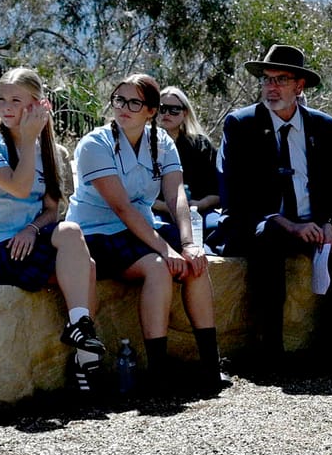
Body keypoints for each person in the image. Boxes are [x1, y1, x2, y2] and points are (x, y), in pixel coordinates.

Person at [212, 44, 332, 378]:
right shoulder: (241, 124)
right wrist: (288, 224)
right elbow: (236, 196)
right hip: (263, 224)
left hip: (314, 223)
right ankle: (270, 351)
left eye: (281, 79)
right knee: (270, 235)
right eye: (267, 80)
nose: (271, 87)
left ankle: (331, 341)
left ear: (299, 86)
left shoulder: (325, 127)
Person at [67, 72, 225, 398]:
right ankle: (159, 372)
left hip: (141, 229)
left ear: (150, 111)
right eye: (119, 99)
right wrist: (167, 251)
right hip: (99, 234)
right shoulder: (95, 144)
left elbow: (176, 194)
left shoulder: (162, 142)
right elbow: (122, 208)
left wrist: (188, 244)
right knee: (158, 266)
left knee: (196, 264)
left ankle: (211, 365)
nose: (123, 107)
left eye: (134, 102)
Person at [0, 67, 104, 395]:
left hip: (29, 240)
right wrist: (28, 141)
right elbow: (18, 187)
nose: (6, 107)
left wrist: (31, 228)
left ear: (38, 105)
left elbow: (52, 210)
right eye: (1, 99)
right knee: (84, 269)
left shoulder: (50, 151)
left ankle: (83, 352)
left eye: (16, 100)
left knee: (79, 249)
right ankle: (85, 348)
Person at [153, 86, 221, 232]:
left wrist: (199, 205)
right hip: (158, 212)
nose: (166, 114)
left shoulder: (201, 145)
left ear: (185, 113)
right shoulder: (144, 144)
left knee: (219, 228)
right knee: (161, 230)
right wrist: (165, 206)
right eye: (162, 108)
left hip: (199, 211)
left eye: (174, 109)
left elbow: (217, 191)